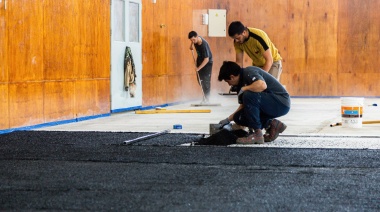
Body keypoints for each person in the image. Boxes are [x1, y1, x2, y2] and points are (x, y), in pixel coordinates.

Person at [218, 61, 290, 144]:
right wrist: (228, 119)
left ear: (232, 77)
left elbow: (262, 85)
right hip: (270, 103)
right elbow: (244, 106)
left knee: (248, 95)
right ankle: (273, 124)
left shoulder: (249, 72)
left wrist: (244, 89)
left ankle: (257, 134)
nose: (229, 84)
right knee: (239, 117)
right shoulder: (240, 84)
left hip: (281, 102)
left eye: (227, 81)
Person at [188, 31, 213, 103]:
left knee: (206, 81)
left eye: (193, 40)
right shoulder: (195, 40)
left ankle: (207, 99)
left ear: (197, 37)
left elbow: (207, 59)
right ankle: (205, 97)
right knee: (200, 80)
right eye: (191, 40)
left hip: (207, 63)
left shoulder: (203, 45)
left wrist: (198, 68)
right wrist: (191, 45)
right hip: (200, 60)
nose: (193, 41)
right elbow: (193, 41)